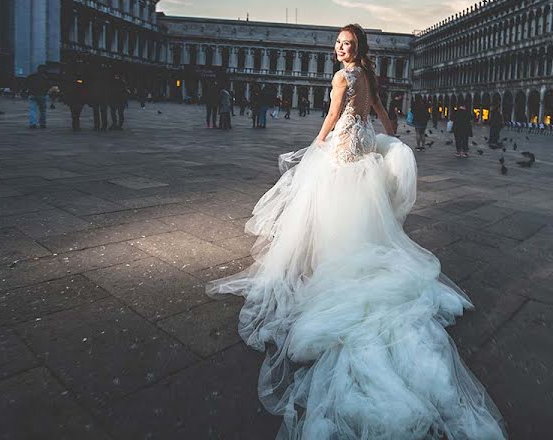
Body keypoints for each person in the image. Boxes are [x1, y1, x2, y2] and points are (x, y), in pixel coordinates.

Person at [206, 24, 506, 438]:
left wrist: (317, 143)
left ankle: (335, 261)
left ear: (357, 48)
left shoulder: (343, 76)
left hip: (347, 149)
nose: (341, 48)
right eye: (339, 43)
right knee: (363, 212)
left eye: (347, 43)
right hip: (366, 147)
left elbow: (332, 114)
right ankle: (357, 253)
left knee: (329, 208)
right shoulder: (367, 75)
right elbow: (382, 112)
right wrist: (389, 132)